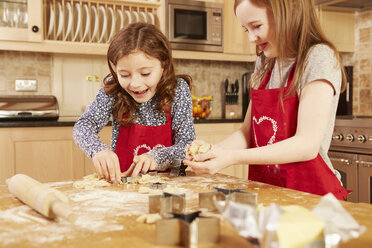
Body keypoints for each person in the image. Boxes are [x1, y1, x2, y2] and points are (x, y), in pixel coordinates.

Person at [183, 0, 348, 200]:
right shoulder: (264, 63)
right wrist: (212, 152)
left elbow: (307, 145)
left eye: (257, 26)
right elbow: (247, 132)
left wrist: (231, 157)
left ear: (288, 13)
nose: (252, 38)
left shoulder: (318, 57)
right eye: (246, 30)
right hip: (269, 192)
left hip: (313, 197)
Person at [73, 23, 195, 183]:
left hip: (172, 186)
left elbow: (187, 146)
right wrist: (98, 150)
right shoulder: (114, 89)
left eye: (145, 73)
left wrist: (157, 157)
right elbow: (83, 125)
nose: (135, 84)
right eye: (124, 75)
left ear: (164, 67)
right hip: (124, 185)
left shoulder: (177, 90)